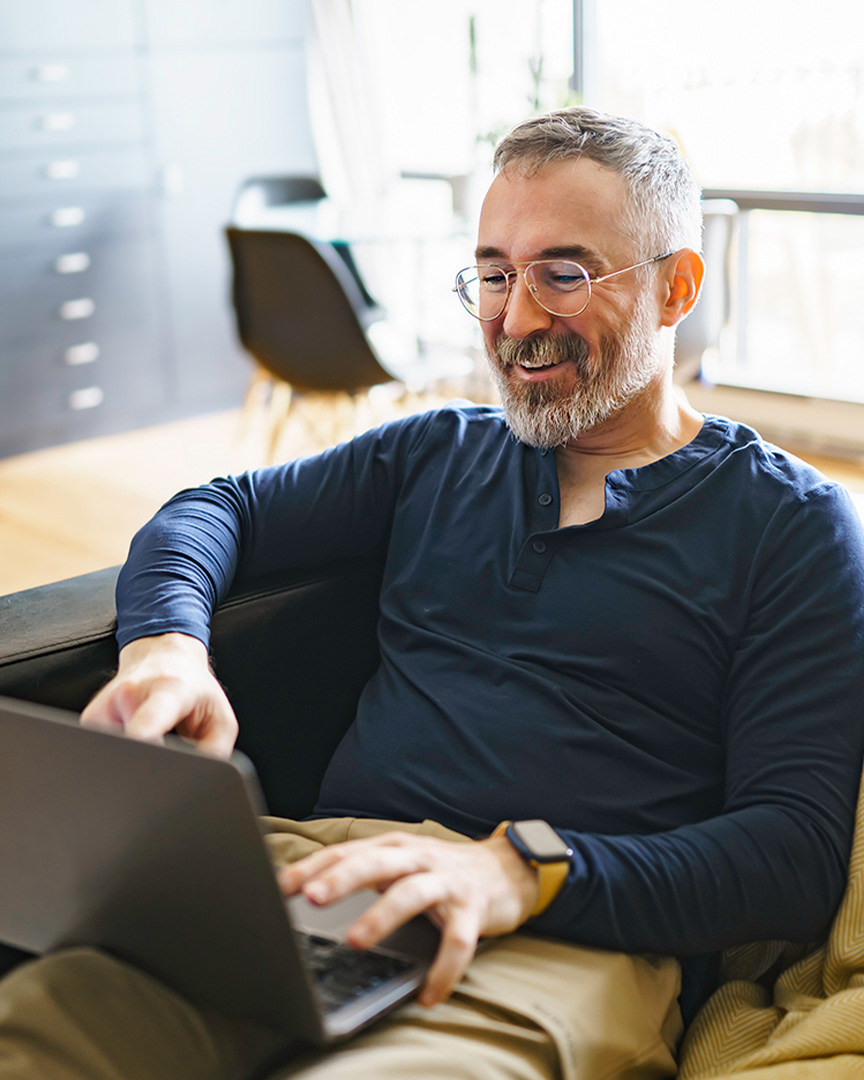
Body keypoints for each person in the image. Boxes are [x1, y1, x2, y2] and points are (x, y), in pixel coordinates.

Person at [2, 106, 864, 1080]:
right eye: (494, 273)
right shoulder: (437, 449)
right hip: (316, 876)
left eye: (564, 275)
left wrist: (521, 869)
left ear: (677, 288)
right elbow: (218, 509)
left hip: (563, 938)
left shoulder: (789, 524)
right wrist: (166, 642)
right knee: (38, 1035)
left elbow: (792, 853)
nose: (518, 317)